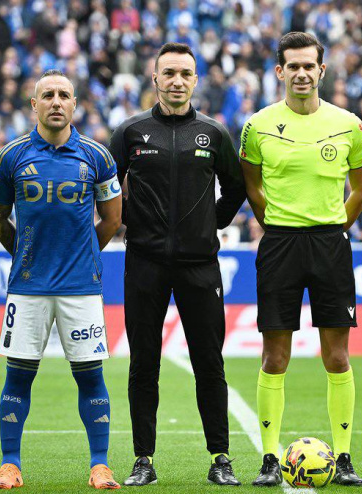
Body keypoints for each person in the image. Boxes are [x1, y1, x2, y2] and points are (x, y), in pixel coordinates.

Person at [108, 42, 245, 487]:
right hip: (143, 263)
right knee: (143, 364)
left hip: (200, 266)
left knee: (210, 363)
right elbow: (107, 188)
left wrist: (211, 224)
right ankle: (143, 459)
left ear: (196, 79)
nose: (177, 81)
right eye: (169, 73)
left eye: (185, 73)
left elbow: (236, 188)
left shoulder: (214, 133)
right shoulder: (130, 132)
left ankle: (220, 458)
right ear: (155, 79)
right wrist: (131, 221)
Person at [240, 31, 362, 487]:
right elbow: (252, 187)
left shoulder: (350, 124)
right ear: (279, 72)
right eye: (291, 65)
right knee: (274, 357)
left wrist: (337, 227)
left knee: (336, 356)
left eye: (307, 65)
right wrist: (275, 222)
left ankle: (345, 456)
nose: (300, 73)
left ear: (322, 70)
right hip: (279, 245)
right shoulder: (257, 126)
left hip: (331, 246)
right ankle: (271, 459)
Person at [0, 69, 123, 490]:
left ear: (75, 104)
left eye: (65, 95)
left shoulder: (97, 156)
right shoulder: (10, 156)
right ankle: (10, 465)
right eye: (48, 95)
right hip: (27, 287)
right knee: (18, 375)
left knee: (90, 376)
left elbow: (113, 218)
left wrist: (81, 256)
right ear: (34, 104)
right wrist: (26, 255)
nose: (57, 101)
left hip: (81, 288)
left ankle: (100, 465)